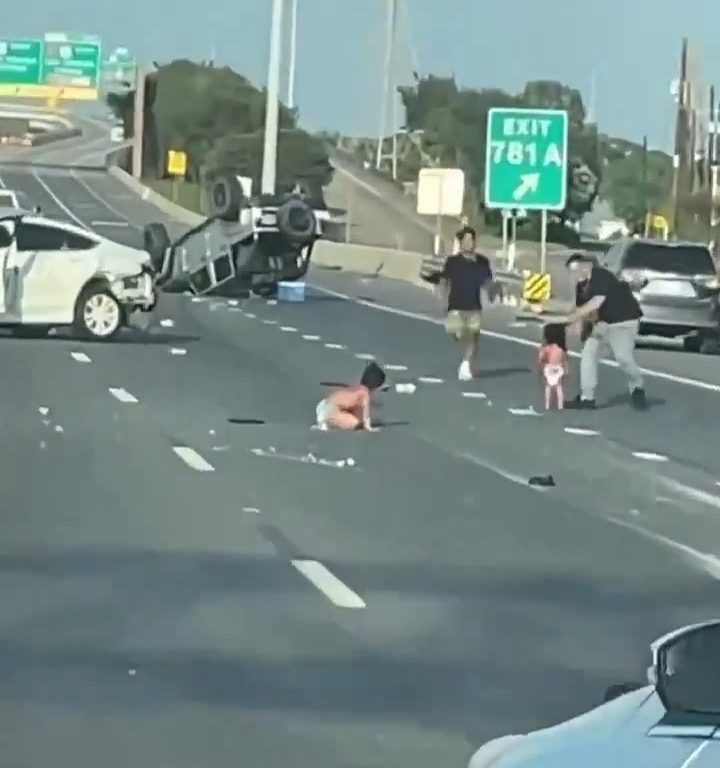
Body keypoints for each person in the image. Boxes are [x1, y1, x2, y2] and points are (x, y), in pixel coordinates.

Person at [562, 253, 647, 410]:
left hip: (623, 321)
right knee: (588, 354)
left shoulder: (600, 275)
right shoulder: (581, 286)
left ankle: (637, 387)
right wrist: (578, 326)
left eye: (576, 268)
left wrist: (572, 317)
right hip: (603, 324)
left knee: (623, 358)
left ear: (586, 266)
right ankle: (587, 398)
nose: (574, 273)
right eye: (571, 271)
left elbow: (596, 302)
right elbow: (582, 308)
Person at [434, 226, 502, 380]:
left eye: (472, 240)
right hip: (455, 305)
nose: (469, 243)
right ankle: (464, 353)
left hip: (474, 306)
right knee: (456, 334)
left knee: (473, 335)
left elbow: (487, 282)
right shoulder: (452, 261)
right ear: (460, 243)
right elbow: (445, 281)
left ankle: (466, 363)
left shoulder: (482, 262)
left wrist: (493, 292)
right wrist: (443, 299)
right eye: (466, 240)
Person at [315, 362, 386, 431]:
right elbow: (366, 416)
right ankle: (327, 423)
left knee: (356, 413)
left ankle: (328, 420)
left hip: (323, 405)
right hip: (329, 411)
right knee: (355, 422)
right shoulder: (365, 394)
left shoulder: (358, 388)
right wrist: (368, 427)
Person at [538, 323, 568, 410]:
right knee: (559, 387)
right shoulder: (561, 349)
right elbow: (564, 360)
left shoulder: (547, 348)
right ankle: (560, 405)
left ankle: (547, 404)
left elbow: (541, 358)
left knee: (548, 387)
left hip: (549, 367)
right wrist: (566, 369)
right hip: (559, 368)